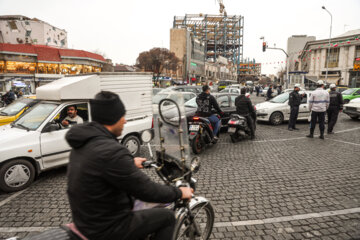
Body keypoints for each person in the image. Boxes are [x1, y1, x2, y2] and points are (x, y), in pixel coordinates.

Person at [65, 91, 193, 240]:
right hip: (106, 227)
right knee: (166, 217)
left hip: (86, 220)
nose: (125, 121)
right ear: (113, 119)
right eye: (122, 116)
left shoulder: (83, 142)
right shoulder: (112, 152)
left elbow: (99, 163)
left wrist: (129, 162)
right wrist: (179, 192)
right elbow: (147, 190)